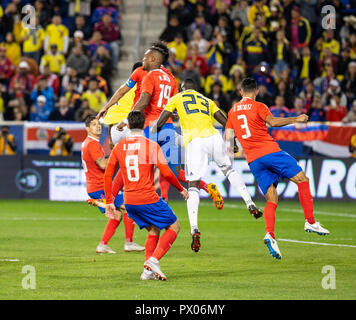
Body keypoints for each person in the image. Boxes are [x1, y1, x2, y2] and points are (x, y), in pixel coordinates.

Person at [96, 44, 218, 207]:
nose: (143, 60)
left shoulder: (144, 74)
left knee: (129, 162)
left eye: (146, 57)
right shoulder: (171, 78)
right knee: (173, 170)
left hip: (146, 126)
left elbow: (127, 93)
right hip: (167, 127)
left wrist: (121, 116)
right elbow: (174, 106)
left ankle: (113, 197)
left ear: (153, 59)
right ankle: (204, 185)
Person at [225, 78, 330, 260]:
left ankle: (270, 234)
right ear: (256, 92)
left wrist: (234, 145)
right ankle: (310, 222)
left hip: (253, 160)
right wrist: (296, 118)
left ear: (241, 92)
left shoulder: (232, 111)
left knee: (271, 198)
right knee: (302, 180)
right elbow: (272, 122)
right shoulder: (259, 106)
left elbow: (228, 138)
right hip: (270, 152)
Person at [153, 79, 262, 252]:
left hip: (195, 142)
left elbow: (160, 121)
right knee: (229, 170)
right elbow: (226, 121)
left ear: (182, 89)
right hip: (214, 138)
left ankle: (194, 228)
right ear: (195, 89)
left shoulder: (177, 98)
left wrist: (153, 131)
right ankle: (249, 203)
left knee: (193, 185)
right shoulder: (207, 100)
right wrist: (233, 141)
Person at [104, 111, 189, 280]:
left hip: (129, 202)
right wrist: (180, 188)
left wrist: (109, 201)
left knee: (154, 229)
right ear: (144, 125)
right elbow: (166, 171)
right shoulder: (151, 145)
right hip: (147, 198)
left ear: (128, 126)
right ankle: (154, 261)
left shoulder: (119, 146)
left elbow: (108, 174)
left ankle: (147, 273)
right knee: (174, 226)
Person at [81, 116, 144, 254]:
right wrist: (117, 153)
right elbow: (103, 165)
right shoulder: (92, 144)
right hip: (100, 187)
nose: (98, 126)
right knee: (129, 206)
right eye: (93, 124)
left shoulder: (87, 143)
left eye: (98, 124)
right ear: (87, 129)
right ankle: (129, 243)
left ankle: (103, 245)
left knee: (117, 215)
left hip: (96, 187)